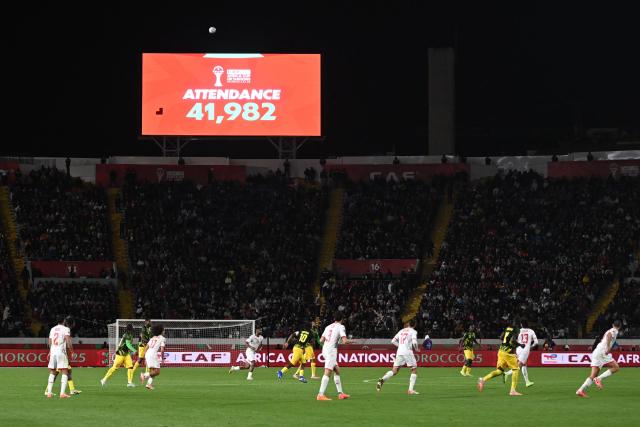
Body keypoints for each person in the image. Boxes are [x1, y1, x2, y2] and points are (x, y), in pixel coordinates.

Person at [576, 320, 622, 398]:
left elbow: (607, 336)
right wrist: (608, 347)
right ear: (620, 326)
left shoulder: (609, 330)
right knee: (616, 367)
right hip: (602, 352)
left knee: (593, 375)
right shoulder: (614, 330)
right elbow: (609, 335)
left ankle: (580, 390)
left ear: (612, 324)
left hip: (597, 351)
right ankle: (599, 379)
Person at [477, 319, 523, 396]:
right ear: (519, 324)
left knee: (500, 371)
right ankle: (512, 391)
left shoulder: (508, 328)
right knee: (516, 369)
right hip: (508, 353)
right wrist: (520, 345)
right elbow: (512, 341)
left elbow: (501, 337)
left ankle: (483, 379)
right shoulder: (516, 330)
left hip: (501, 351)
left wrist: (507, 342)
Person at [376, 319, 420, 395]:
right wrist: (416, 349)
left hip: (399, 352)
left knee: (394, 371)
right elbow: (414, 342)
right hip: (407, 352)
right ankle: (410, 390)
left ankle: (382, 379)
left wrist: (400, 346)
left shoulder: (401, 331)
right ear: (415, 325)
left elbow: (393, 341)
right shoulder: (413, 332)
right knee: (414, 370)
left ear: (409, 324)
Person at [44, 317, 82, 396]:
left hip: (53, 352)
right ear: (64, 321)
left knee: (53, 372)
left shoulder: (52, 329)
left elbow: (50, 342)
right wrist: (72, 351)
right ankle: (62, 393)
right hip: (61, 352)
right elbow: (68, 340)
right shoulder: (65, 329)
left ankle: (49, 393)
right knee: (65, 371)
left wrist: (50, 352)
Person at [316, 313, 351, 401]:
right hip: (331, 351)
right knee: (328, 371)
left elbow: (321, 340)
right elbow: (345, 341)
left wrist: (330, 342)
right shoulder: (341, 327)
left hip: (325, 349)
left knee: (337, 370)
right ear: (341, 320)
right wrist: (354, 341)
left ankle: (340, 394)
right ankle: (320, 394)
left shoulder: (328, 326)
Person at [100, 323, 137, 387]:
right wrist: (134, 350)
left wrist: (131, 351)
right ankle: (103, 379)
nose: (133, 330)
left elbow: (127, 345)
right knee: (114, 368)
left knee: (130, 367)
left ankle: (129, 382)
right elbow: (128, 344)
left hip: (126, 354)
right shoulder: (127, 335)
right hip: (120, 353)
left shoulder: (130, 335)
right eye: (132, 328)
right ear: (130, 329)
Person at [504, 319, 538, 387]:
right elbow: (536, 342)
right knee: (519, 365)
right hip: (525, 349)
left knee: (524, 364)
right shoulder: (531, 331)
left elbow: (513, 340)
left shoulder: (518, 330)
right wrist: (531, 346)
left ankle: (527, 382)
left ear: (521, 325)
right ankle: (507, 373)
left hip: (518, 349)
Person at [140, 324, 166, 390]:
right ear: (161, 331)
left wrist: (145, 357)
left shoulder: (152, 338)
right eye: (163, 330)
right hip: (153, 354)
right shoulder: (162, 338)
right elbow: (162, 350)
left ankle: (149, 384)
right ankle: (144, 375)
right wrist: (162, 359)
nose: (164, 331)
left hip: (148, 353)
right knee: (157, 372)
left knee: (152, 371)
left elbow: (146, 348)